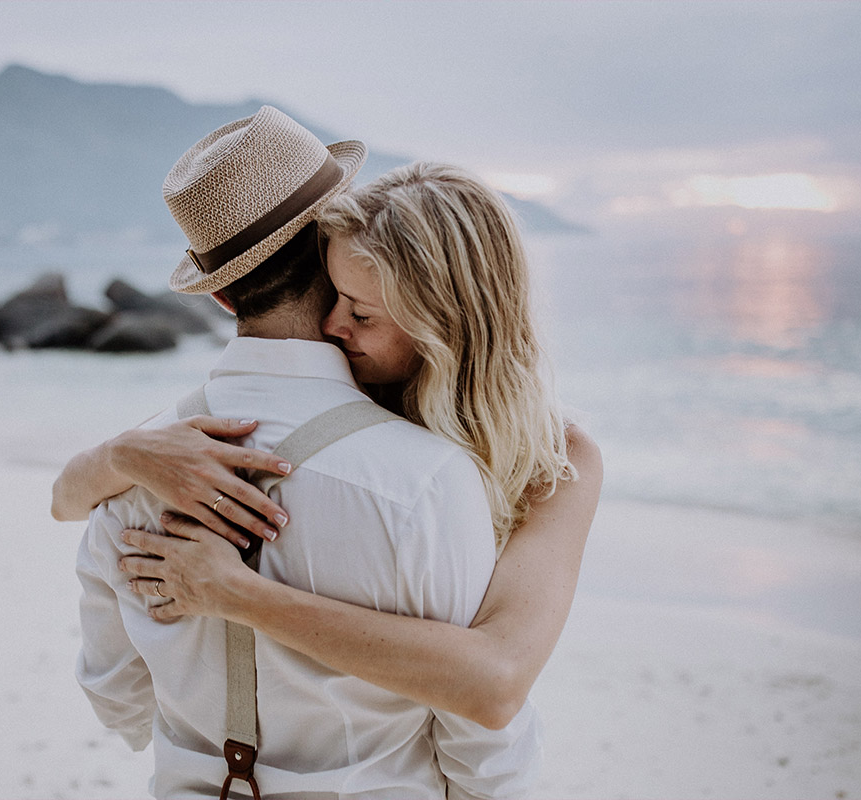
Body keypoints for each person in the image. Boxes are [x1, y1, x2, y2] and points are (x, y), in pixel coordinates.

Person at [72, 105, 540, 799]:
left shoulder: (136, 467)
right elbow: (482, 747)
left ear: (223, 296)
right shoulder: (428, 477)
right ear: (337, 246)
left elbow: (117, 700)